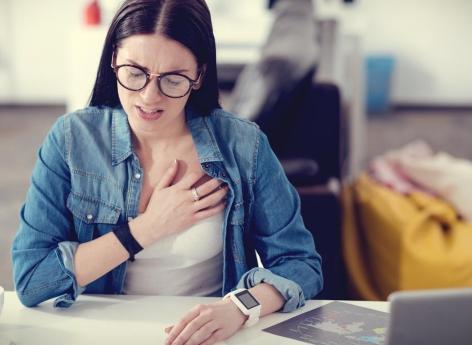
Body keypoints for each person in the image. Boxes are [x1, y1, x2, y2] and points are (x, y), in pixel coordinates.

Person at [12, 0, 323, 344]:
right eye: (134, 72)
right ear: (113, 59)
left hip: (209, 337)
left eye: (173, 80)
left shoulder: (242, 145)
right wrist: (145, 229)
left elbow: (300, 264)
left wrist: (240, 307)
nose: (149, 96)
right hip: (102, 334)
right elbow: (32, 279)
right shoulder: (72, 140)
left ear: (199, 75)